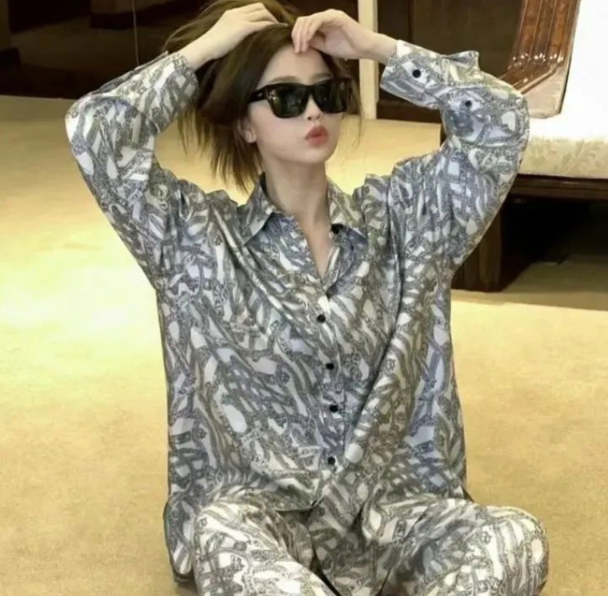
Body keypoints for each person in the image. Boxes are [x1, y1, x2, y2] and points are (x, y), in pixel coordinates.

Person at [64, 1, 550, 595]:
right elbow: (96, 133)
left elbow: (502, 119)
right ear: (245, 124)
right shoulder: (193, 240)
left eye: (327, 93)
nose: (314, 110)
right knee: (220, 535)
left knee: (516, 538)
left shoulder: (409, 220)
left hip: (392, 511)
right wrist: (199, 54)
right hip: (262, 518)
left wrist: (377, 49)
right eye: (286, 98)